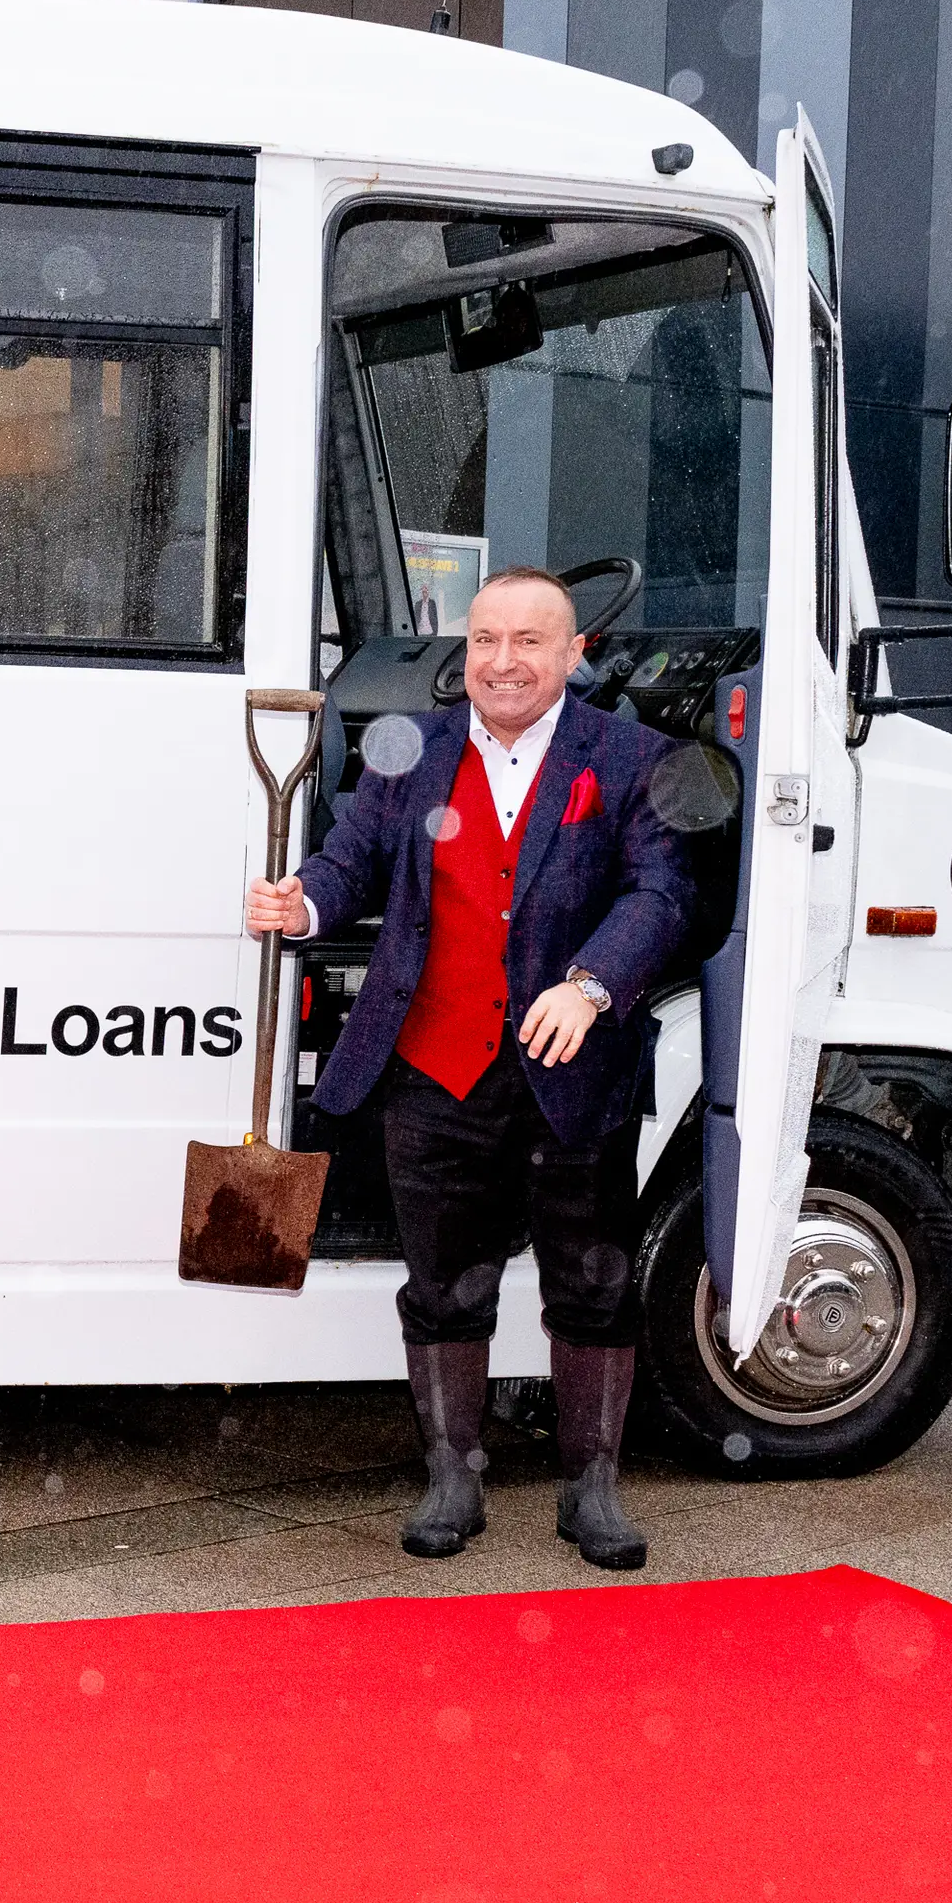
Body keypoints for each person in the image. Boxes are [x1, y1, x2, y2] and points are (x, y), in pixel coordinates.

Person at [247, 570, 695, 1570]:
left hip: (570, 1073)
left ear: (574, 656)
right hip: (432, 1072)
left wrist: (589, 985)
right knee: (444, 1286)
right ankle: (454, 1478)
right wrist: (302, 906)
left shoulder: (630, 760)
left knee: (594, 1283)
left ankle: (593, 1492)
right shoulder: (410, 754)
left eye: (529, 641)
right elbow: (347, 860)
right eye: (486, 639)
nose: (502, 660)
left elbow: (661, 895)